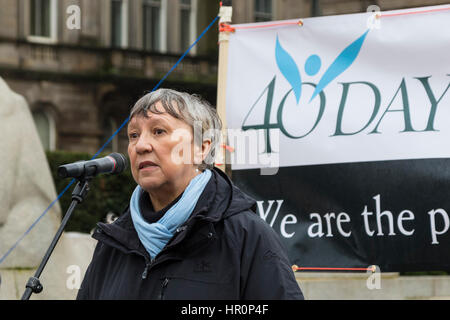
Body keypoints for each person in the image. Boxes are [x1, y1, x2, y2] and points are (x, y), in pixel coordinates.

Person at [77, 89, 303, 300]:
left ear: (202, 148)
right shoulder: (114, 241)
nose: (141, 145)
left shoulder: (246, 235)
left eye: (158, 131)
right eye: (134, 135)